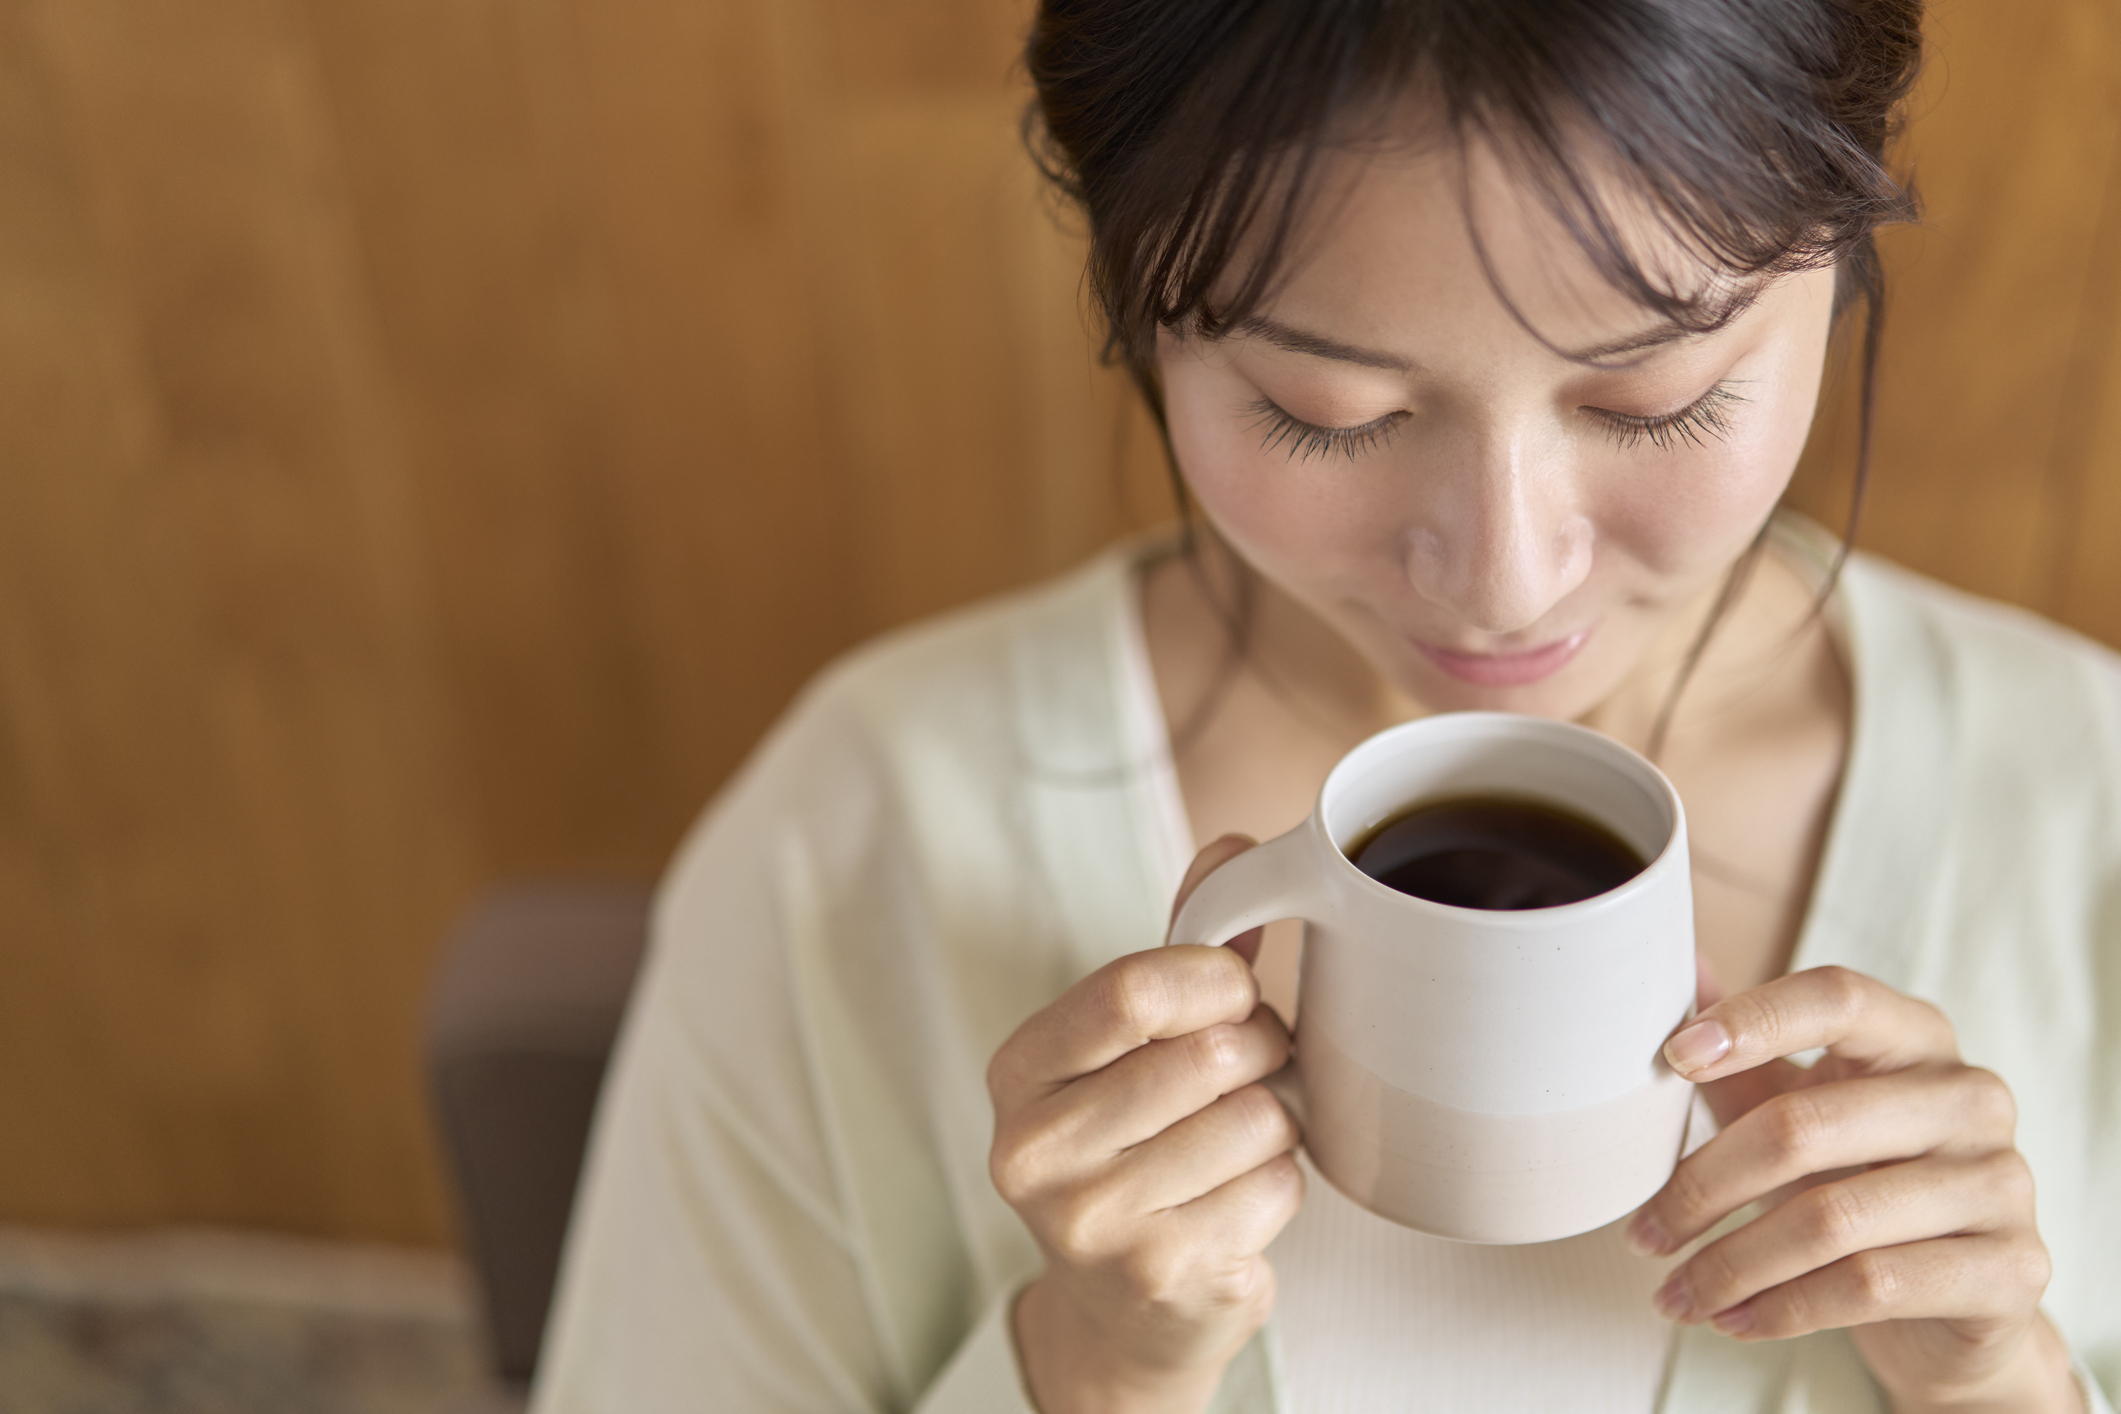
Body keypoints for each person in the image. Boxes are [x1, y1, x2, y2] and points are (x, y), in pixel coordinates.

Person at [529, 2, 2118, 1410]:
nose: (1501, 580)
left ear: (1842, 247)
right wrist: (1087, 1370)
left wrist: (2002, 1386)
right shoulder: (857, 836)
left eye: (1655, 400)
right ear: (1136, 304)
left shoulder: (2084, 803)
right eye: (1326, 414)